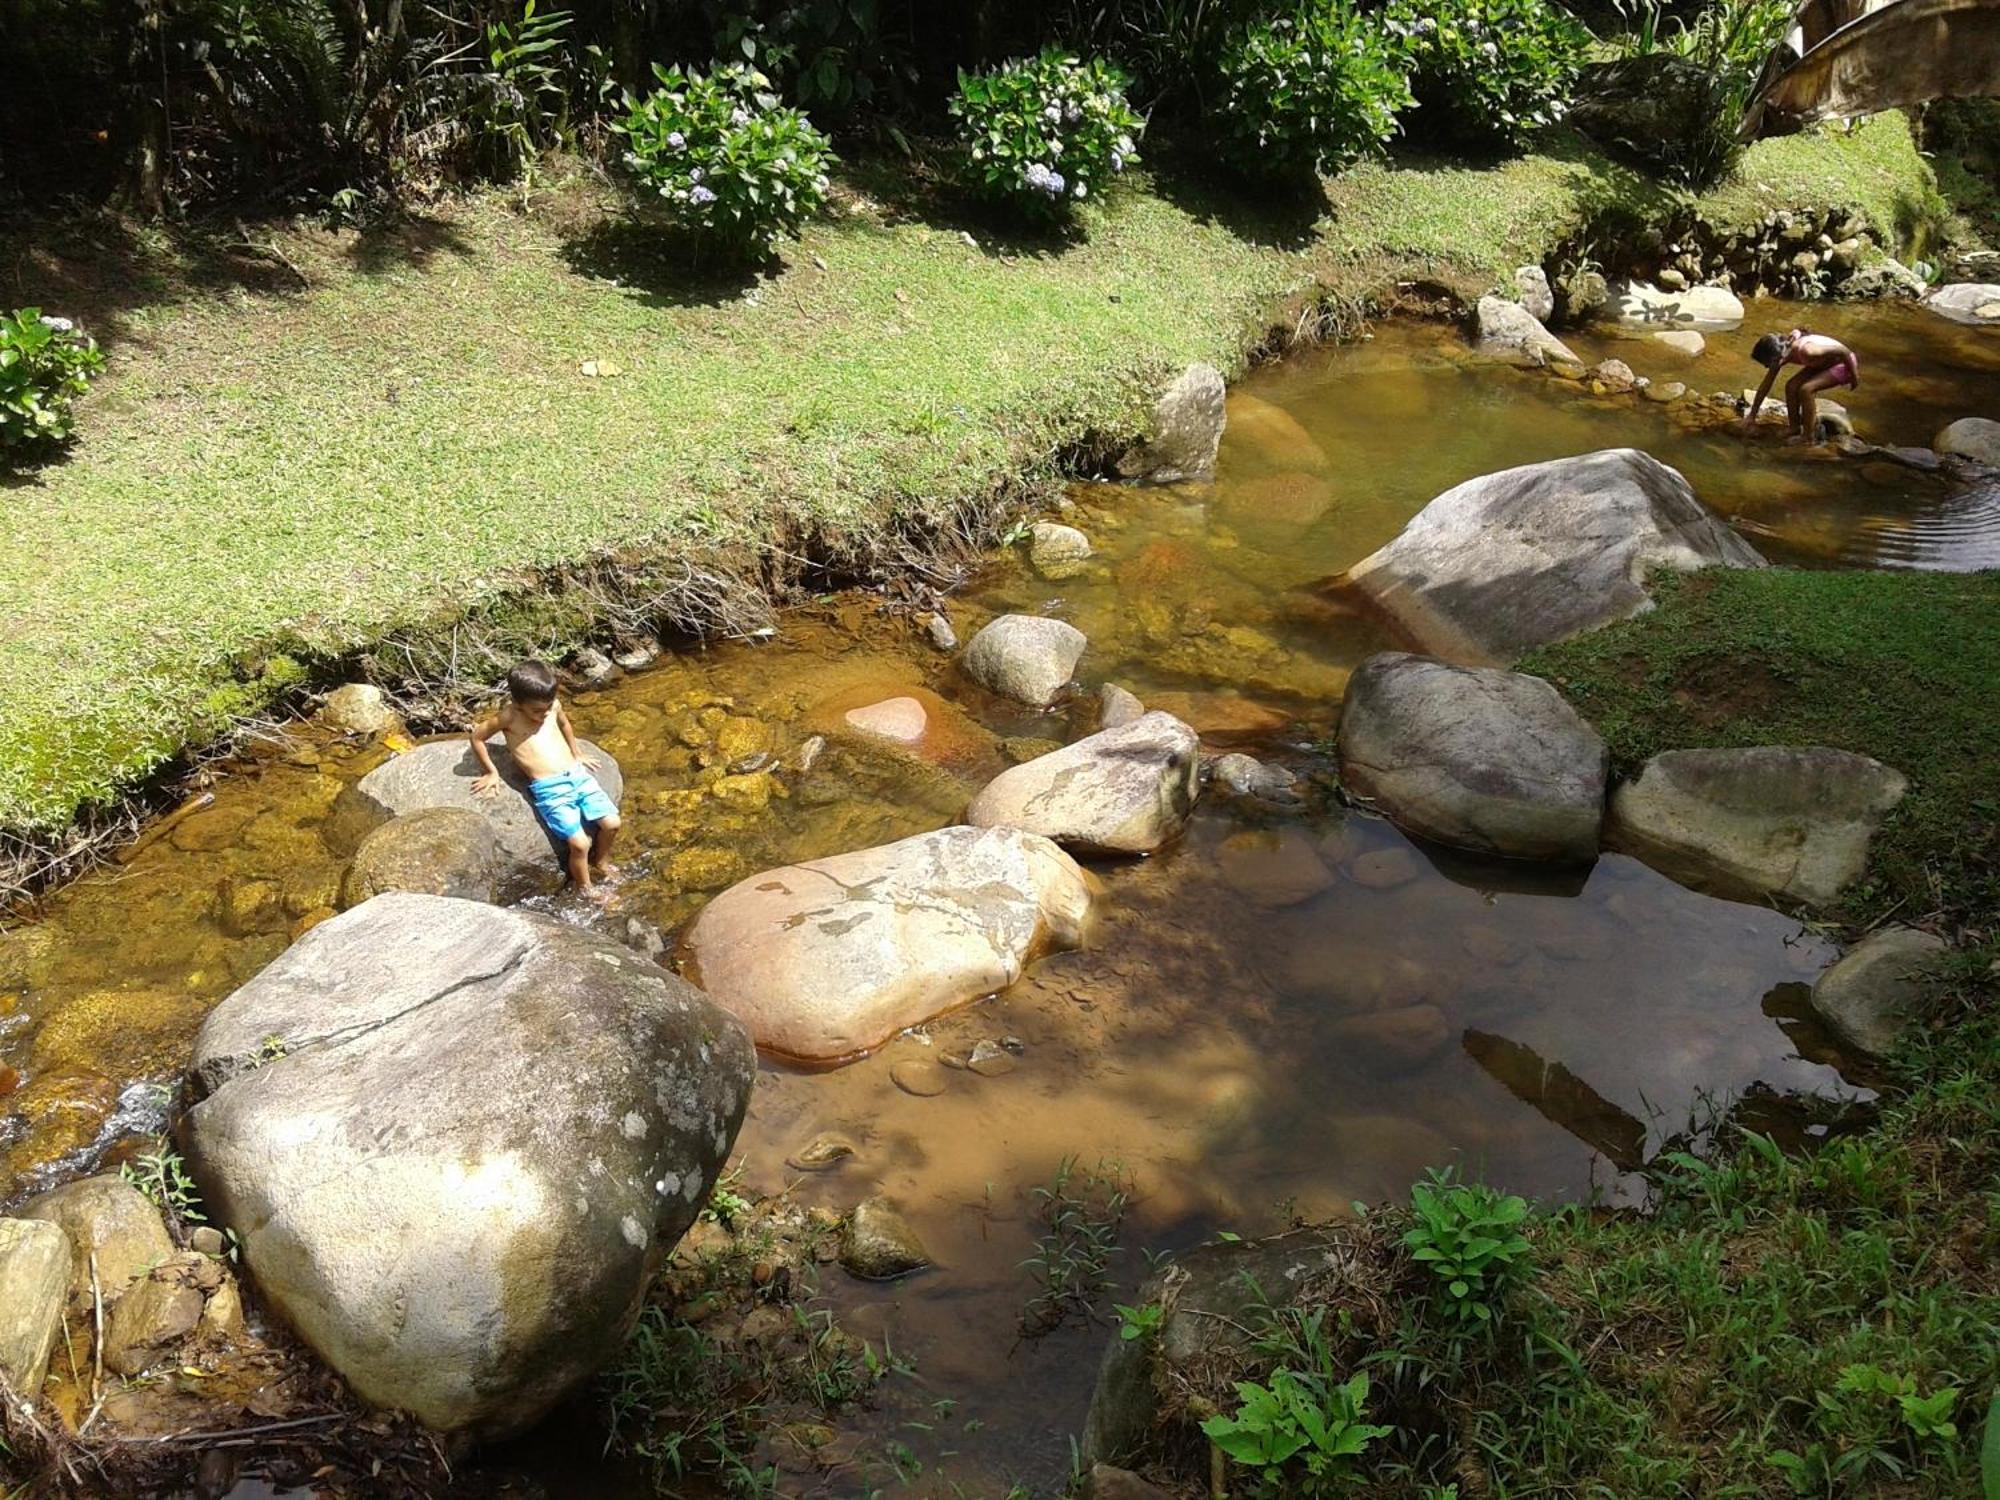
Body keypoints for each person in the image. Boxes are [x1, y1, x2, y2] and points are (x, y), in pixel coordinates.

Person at [469, 660, 621, 897]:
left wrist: (577, 752)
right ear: (518, 705)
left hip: (577, 776)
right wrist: (491, 771)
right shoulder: (509, 717)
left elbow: (564, 724)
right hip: (550, 788)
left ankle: (601, 862)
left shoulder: (553, 707)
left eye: (548, 707)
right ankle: (586, 888)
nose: (545, 714)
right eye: (537, 711)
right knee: (580, 844)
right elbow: (477, 736)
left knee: (612, 823)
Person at [1746, 327, 1860, 443]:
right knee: (1791, 386)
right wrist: (1752, 416)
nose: (1767, 367)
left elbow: (1844, 351)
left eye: (1767, 364)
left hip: (1844, 364)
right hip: (1821, 363)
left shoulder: (1808, 351)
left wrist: (1855, 376)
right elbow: (1766, 384)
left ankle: (1808, 436)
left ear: (1776, 357)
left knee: (1806, 389)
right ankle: (1794, 427)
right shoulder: (1784, 352)